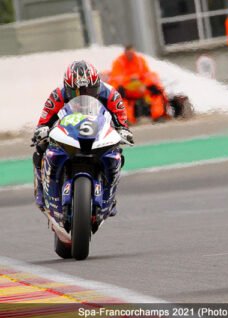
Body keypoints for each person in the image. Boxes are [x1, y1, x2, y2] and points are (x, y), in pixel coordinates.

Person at [32, 60, 133, 210]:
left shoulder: (111, 94)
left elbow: (121, 120)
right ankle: (41, 190)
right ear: (67, 88)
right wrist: (42, 130)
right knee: (41, 147)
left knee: (116, 152)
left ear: (97, 85)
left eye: (89, 90)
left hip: (97, 130)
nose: (83, 94)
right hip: (69, 130)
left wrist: (123, 130)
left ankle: (110, 196)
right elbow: (45, 120)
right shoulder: (57, 95)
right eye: (76, 92)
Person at [109, 45, 170, 123]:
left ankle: (158, 115)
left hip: (141, 88)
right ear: (125, 53)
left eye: (132, 53)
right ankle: (125, 119)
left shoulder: (140, 60)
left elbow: (147, 74)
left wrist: (145, 85)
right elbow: (116, 78)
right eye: (128, 53)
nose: (130, 55)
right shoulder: (118, 62)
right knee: (119, 94)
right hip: (127, 89)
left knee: (156, 91)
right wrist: (130, 78)